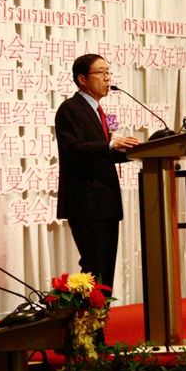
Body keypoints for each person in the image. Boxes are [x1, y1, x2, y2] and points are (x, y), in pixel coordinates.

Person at [55, 54, 140, 291]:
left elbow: (101, 155)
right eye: (101, 72)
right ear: (82, 79)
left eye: (108, 72)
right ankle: (86, 325)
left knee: (105, 271)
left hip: (105, 204)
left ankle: (98, 324)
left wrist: (137, 152)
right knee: (94, 269)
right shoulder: (70, 109)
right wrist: (111, 144)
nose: (107, 78)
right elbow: (74, 150)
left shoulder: (97, 111)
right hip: (87, 204)